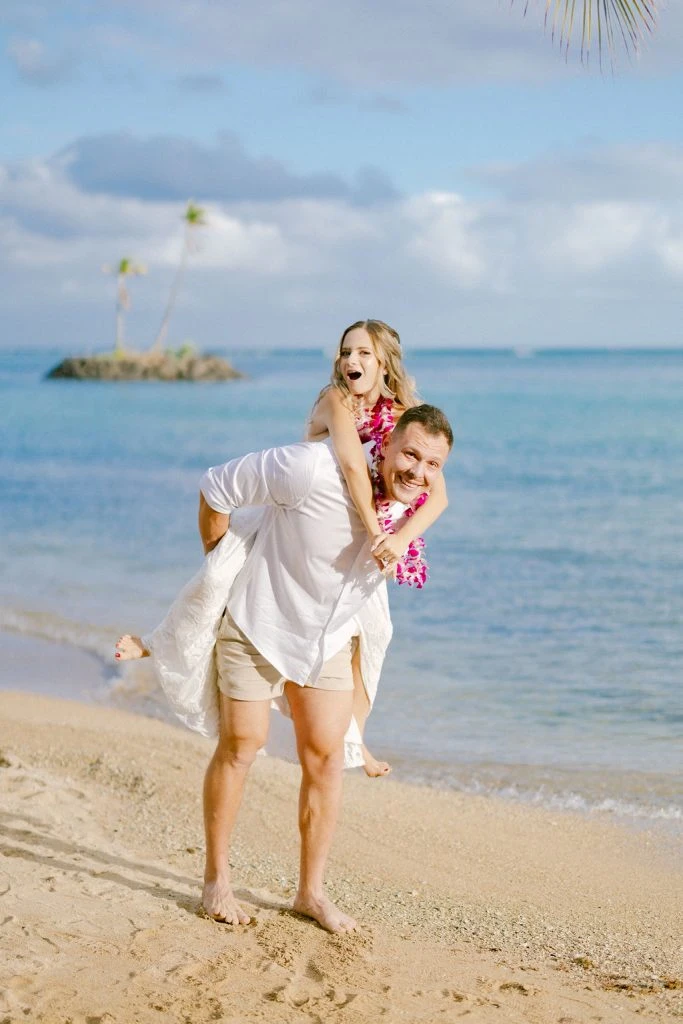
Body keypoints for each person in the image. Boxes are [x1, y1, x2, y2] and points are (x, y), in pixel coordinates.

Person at [117, 320, 449, 776]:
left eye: (364, 354)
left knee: (375, 637)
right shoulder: (335, 400)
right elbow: (353, 466)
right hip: (292, 522)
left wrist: (398, 539)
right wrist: (377, 532)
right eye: (345, 352)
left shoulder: (402, 414)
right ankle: (154, 643)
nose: (351, 361)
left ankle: (358, 741)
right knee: (218, 579)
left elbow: (439, 494)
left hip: (354, 551)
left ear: (385, 362)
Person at [194, 403, 454, 931]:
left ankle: (310, 893)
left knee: (325, 760)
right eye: (410, 455)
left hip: (326, 642)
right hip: (257, 626)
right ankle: (216, 881)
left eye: (432, 464)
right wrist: (216, 561)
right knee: (242, 747)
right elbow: (215, 486)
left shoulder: (411, 508)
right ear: (384, 445)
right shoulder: (310, 468)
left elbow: (434, 494)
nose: (418, 472)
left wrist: (402, 534)